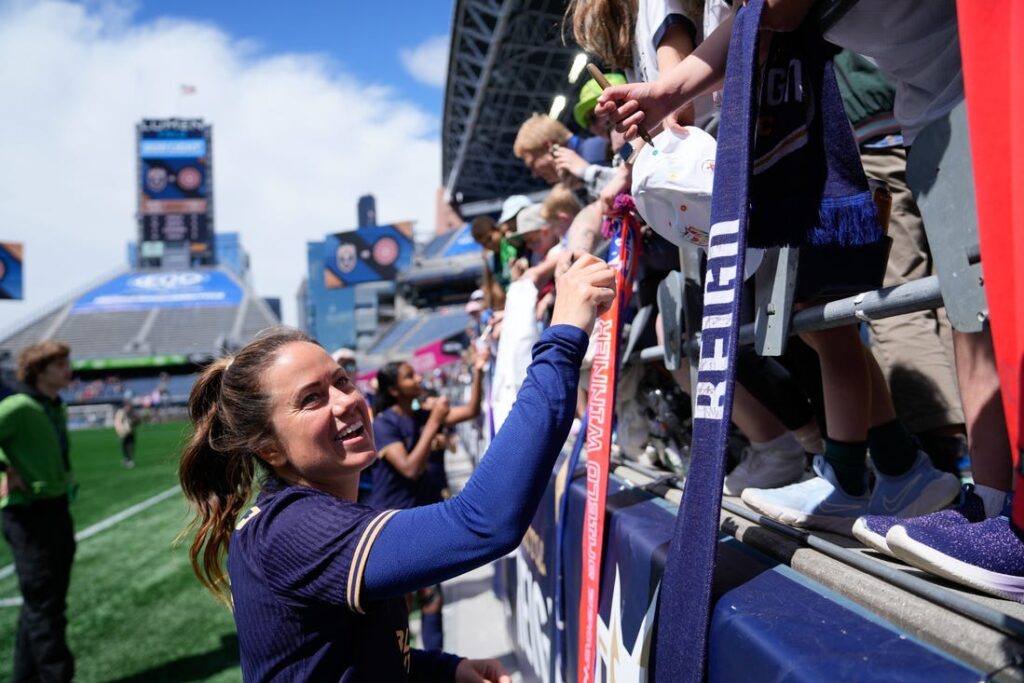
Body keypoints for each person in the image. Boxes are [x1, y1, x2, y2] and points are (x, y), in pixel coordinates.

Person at [597, 0, 1019, 599]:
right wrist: (664, 91)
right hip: (936, 103)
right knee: (969, 310)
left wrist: (667, 92)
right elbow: (765, 18)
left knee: (868, 319)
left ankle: (896, 478)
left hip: (993, 72)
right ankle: (993, 505)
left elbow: (774, 13)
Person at [178, 252, 615, 680]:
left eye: (342, 381)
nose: (346, 401)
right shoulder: (290, 528)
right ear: (269, 449)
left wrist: (447, 669)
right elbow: (483, 523)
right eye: (311, 399)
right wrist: (562, 336)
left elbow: (347, 655)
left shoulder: (317, 509)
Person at [367, 349, 489, 652]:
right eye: (410, 376)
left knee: (432, 599)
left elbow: (472, 410)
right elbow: (409, 468)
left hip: (422, 522)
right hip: (393, 526)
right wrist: (434, 423)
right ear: (394, 389)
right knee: (399, 610)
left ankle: (436, 668)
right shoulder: (384, 425)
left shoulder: (423, 415)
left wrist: (478, 370)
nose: (418, 378)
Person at [0, 341, 76, 682]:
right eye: (59, 364)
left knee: (43, 604)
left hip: (56, 508)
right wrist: (5, 470)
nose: (68, 369)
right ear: (39, 370)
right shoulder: (18, 406)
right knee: (46, 608)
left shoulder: (52, 405)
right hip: (28, 513)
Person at [114, 396, 139, 468]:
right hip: (123, 432)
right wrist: (121, 429)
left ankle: (130, 459)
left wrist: (133, 422)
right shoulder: (121, 412)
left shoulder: (132, 412)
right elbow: (118, 422)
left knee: (130, 446)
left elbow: (137, 421)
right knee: (124, 446)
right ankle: (127, 459)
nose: (128, 406)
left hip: (131, 432)